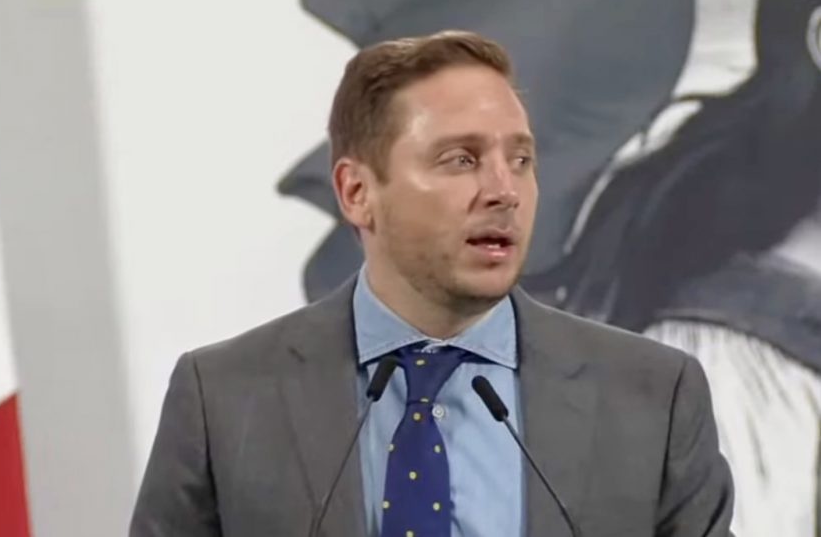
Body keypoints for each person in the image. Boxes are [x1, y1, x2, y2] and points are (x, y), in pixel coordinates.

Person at [130, 31, 734, 537]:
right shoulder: (224, 399)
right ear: (356, 193)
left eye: (520, 160)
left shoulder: (653, 396)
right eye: (461, 160)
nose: (504, 191)